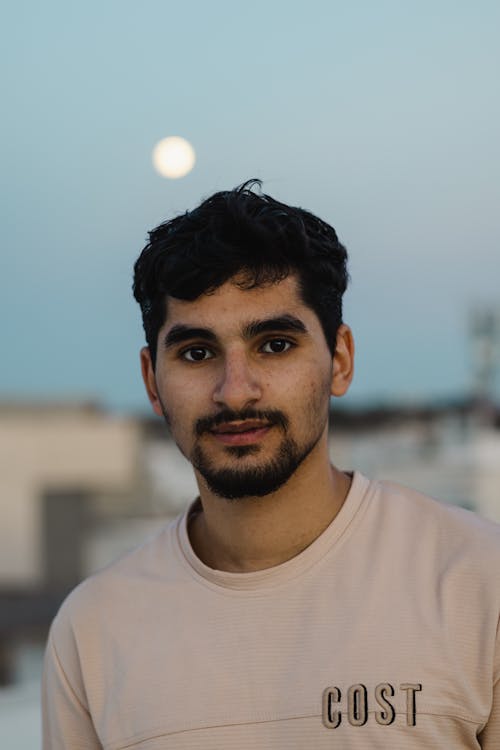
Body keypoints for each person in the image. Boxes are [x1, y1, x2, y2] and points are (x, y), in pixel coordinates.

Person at [42, 180, 499, 749]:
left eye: (275, 344)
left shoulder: (478, 583)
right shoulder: (93, 631)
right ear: (151, 382)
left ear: (339, 360)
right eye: (197, 353)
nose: (235, 392)